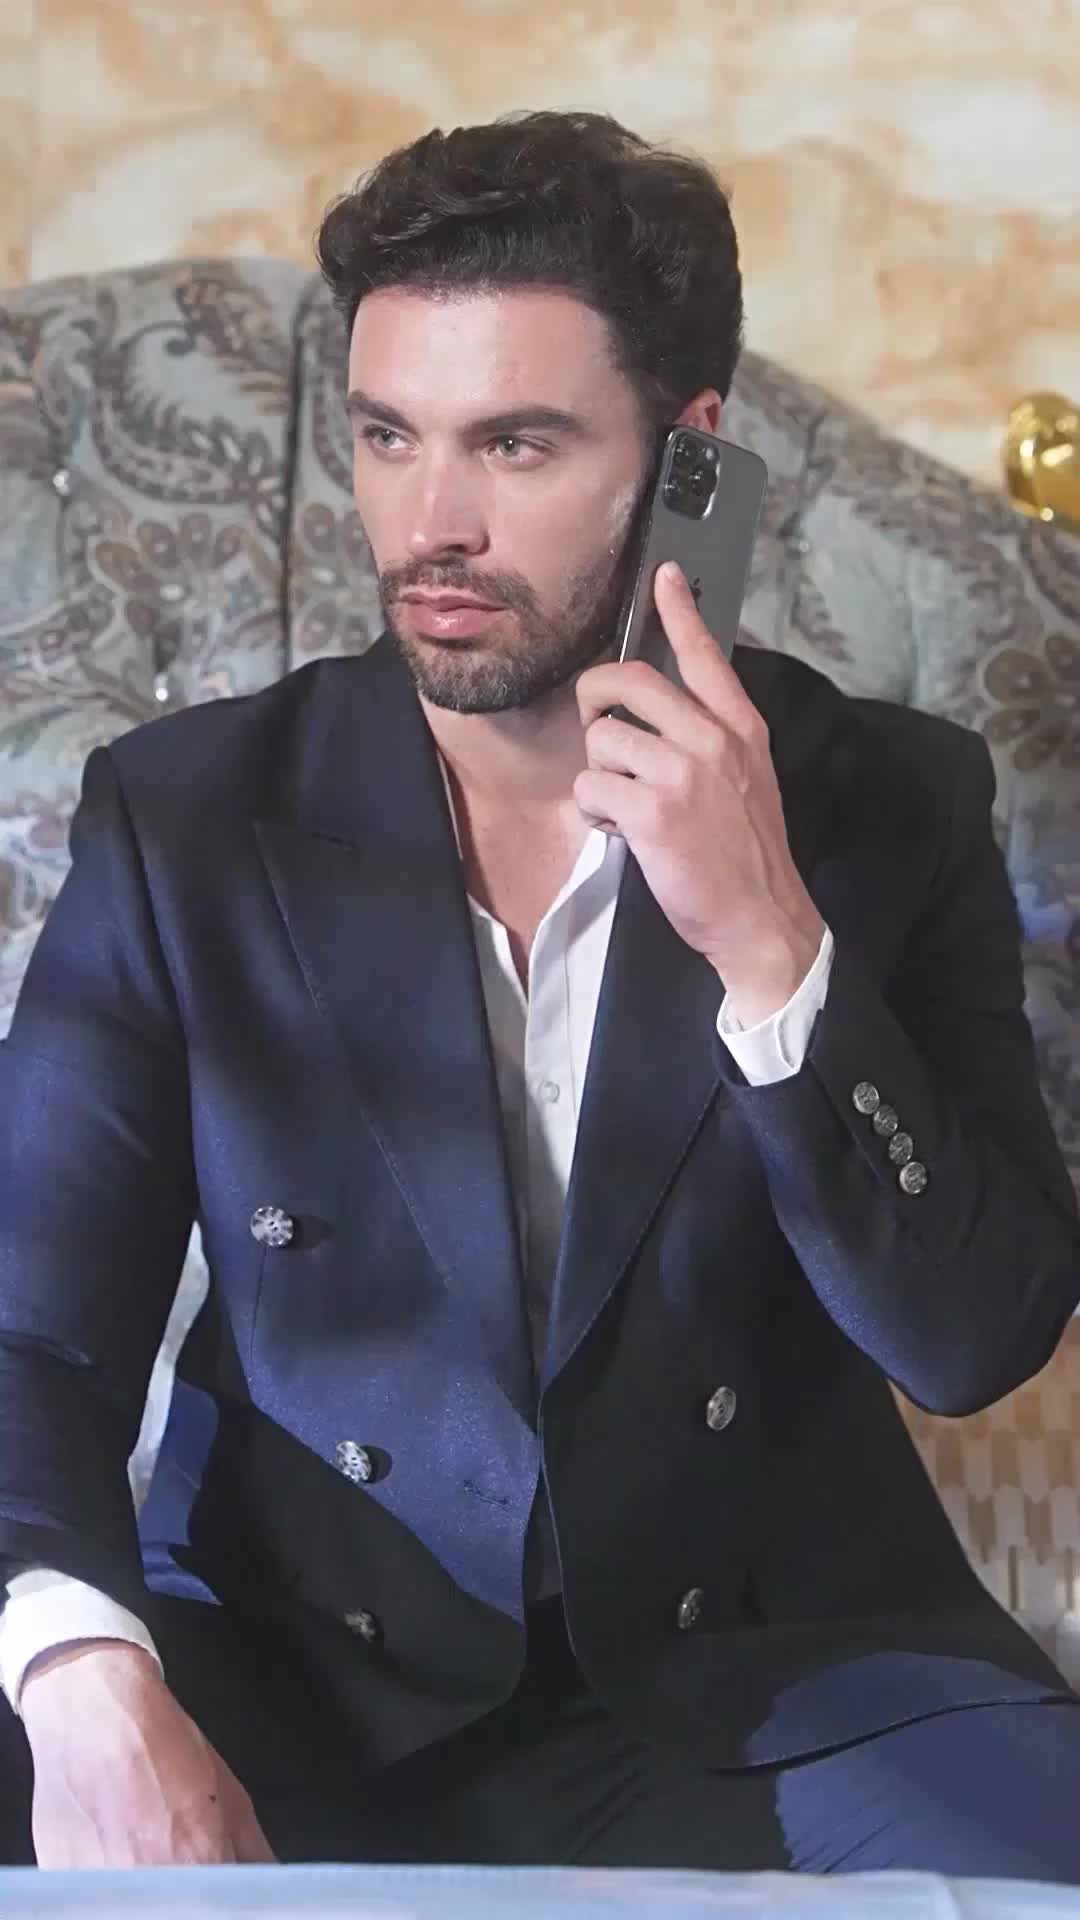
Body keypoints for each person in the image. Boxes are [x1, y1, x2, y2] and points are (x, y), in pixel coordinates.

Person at [2, 108, 1080, 1879]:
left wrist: (769, 943)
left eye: (515, 443)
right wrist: (82, 1673)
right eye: (388, 436)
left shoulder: (886, 799)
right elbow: (29, 1333)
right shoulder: (186, 817)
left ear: (689, 457)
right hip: (286, 1667)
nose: (431, 523)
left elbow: (974, 1342)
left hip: (773, 1669)